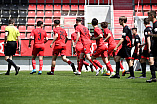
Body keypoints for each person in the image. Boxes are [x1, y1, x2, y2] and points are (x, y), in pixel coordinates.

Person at [146, 11, 157, 83]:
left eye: (149, 16)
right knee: (150, 61)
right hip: (154, 45)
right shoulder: (153, 24)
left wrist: (150, 34)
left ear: (152, 16)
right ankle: (153, 77)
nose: (148, 17)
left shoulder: (156, 24)